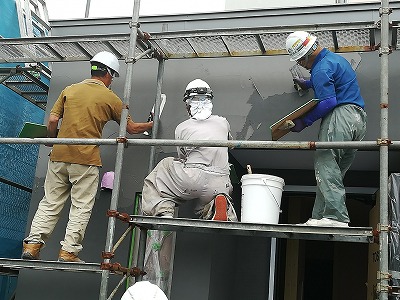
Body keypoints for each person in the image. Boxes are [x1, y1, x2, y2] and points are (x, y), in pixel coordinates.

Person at [21, 51, 153, 262]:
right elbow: (132, 128)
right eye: (112, 77)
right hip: (85, 160)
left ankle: (32, 246)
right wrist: (151, 124)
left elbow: (53, 120)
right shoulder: (111, 98)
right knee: (81, 206)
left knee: (50, 202)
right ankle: (68, 251)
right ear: (108, 73)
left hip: (59, 156)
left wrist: (51, 140)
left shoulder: (69, 90)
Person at [285, 31, 367, 227]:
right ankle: (321, 216)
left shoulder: (321, 68)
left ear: (305, 55)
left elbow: (328, 101)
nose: (300, 65)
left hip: (340, 117)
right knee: (332, 171)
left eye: (299, 61)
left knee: (325, 165)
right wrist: (307, 83)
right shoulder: (335, 60)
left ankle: (336, 217)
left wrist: (303, 122)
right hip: (357, 120)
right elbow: (331, 80)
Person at [141, 79, 237, 221]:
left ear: (187, 105)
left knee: (163, 169)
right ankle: (216, 205)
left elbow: (183, 156)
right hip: (221, 183)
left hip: (194, 178)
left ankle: (164, 211)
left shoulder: (182, 127)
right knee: (202, 205)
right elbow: (231, 145)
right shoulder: (223, 122)